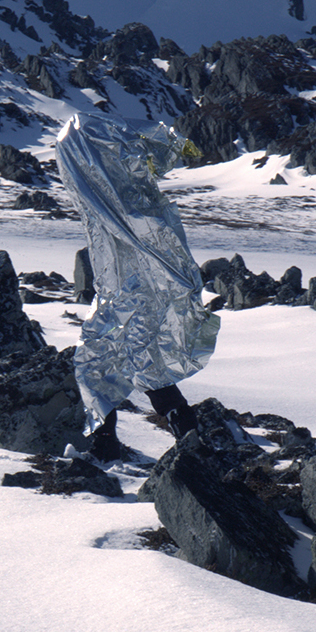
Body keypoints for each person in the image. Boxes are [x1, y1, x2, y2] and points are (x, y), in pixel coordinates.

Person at [55, 113, 220, 461]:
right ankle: (106, 445)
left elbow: (164, 251)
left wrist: (169, 143)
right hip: (114, 293)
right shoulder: (104, 201)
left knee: (145, 367)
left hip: (142, 295)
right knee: (95, 364)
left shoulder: (132, 206)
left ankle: (189, 441)